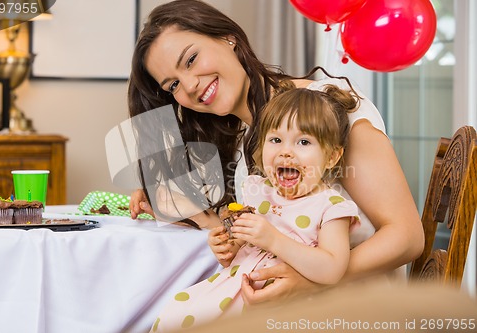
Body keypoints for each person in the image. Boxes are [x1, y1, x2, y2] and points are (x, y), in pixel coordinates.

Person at [128, 0, 423, 305]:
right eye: (173, 84)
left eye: (191, 60)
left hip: (356, 305)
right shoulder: (248, 150)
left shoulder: (327, 110)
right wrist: (189, 212)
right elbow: (279, 235)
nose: (188, 86)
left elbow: (407, 237)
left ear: (227, 38)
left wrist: (311, 282)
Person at [150, 85, 365, 331]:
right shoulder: (257, 189)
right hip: (233, 290)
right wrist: (227, 246)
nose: (285, 152)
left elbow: (332, 269)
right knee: (177, 314)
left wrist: (273, 239)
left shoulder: (331, 207)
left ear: (332, 157)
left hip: (291, 307)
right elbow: (243, 244)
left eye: (303, 141)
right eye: (275, 140)